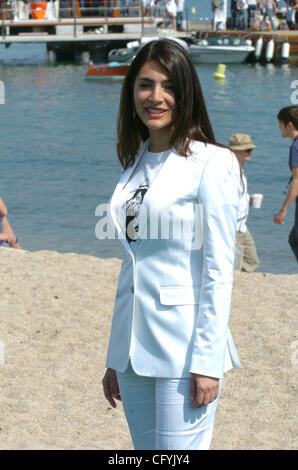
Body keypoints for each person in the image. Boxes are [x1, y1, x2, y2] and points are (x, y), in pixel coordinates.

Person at [102, 39, 242, 451]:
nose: (156, 97)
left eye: (168, 86)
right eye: (145, 85)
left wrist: (207, 362)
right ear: (132, 91)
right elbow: (133, 264)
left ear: (186, 92)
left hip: (185, 350)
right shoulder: (134, 161)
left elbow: (219, 269)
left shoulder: (213, 162)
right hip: (132, 350)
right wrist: (115, 356)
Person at [229, 134, 260, 272]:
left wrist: (249, 200)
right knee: (236, 264)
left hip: (241, 226)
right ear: (235, 151)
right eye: (247, 149)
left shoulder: (240, 168)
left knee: (251, 262)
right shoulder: (229, 171)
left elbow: (238, 196)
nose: (250, 152)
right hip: (231, 226)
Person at [274, 106, 298, 263]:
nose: (279, 128)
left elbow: (297, 180)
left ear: (289, 125)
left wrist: (283, 211)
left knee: (295, 240)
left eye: (280, 124)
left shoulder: (295, 147)